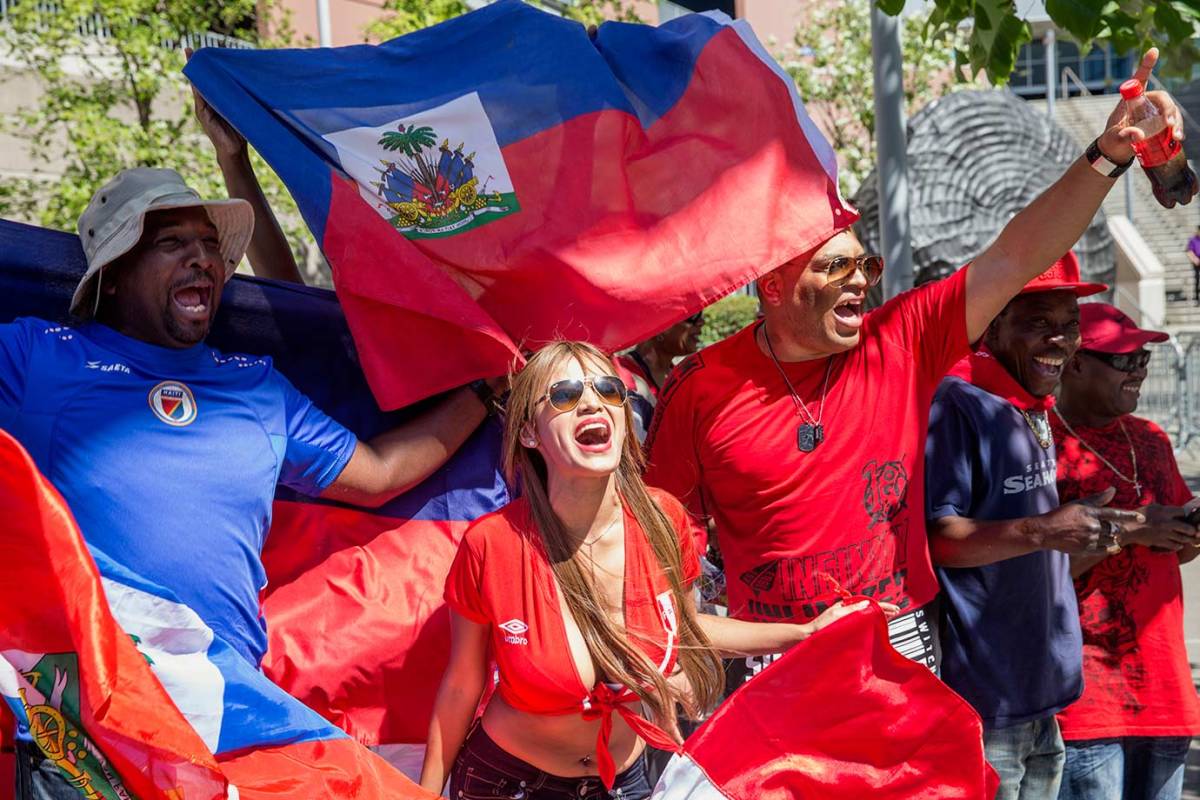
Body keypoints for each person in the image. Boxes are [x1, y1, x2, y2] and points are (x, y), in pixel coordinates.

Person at [644, 49, 1186, 685]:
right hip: (773, 656)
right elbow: (660, 558)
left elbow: (1015, 256)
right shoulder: (700, 388)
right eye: (834, 268)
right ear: (771, 286)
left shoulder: (899, 338)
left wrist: (1108, 154)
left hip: (899, 636)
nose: (859, 285)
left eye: (864, 267)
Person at [1, 169, 498, 799]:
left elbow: (378, 475)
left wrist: (489, 389)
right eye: (171, 242)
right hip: (88, 709)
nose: (201, 257)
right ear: (116, 271)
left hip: (227, 709)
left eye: (209, 244)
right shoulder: (35, 356)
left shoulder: (256, 387)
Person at [419, 341, 876, 800]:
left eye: (608, 389)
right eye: (564, 395)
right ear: (529, 434)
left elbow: (686, 626)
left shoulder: (662, 520)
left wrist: (805, 632)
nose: (592, 403)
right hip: (508, 782)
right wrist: (423, 795)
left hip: (627, 784)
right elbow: (462, 684)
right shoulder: (491, 544)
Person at [924, 254, 1149, 799]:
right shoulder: (958, 404)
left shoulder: (1028, 400)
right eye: (1039, 323)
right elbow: (939, 540)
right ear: (994, 322)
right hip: (986, 702)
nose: (1061, 340)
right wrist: (1044, 530)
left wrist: (1092, 532)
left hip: (1042, 695)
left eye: (1069, 325)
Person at [1051, 303, 1200, 800]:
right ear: (1074, 363)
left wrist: (1188, 533)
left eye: (1144, 358)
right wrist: (1133, 531)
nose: (1139, 369)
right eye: (1125, 359)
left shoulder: (1152, 440)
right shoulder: (1038, 441)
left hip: (1165, 690)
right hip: (1089, 697)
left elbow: (1176, 555)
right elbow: (1035, 571)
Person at [617, 313, 705, 442]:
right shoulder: (621, 375)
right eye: (691, 315)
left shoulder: (681, 377)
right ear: (660, 324)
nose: (701, 322)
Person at [1186, 225, 1200, 305]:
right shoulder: (1192, 240)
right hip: (1197, 262)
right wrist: (1195, 260)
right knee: (1197, 280)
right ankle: (1197, 299)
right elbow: (1189, 251)